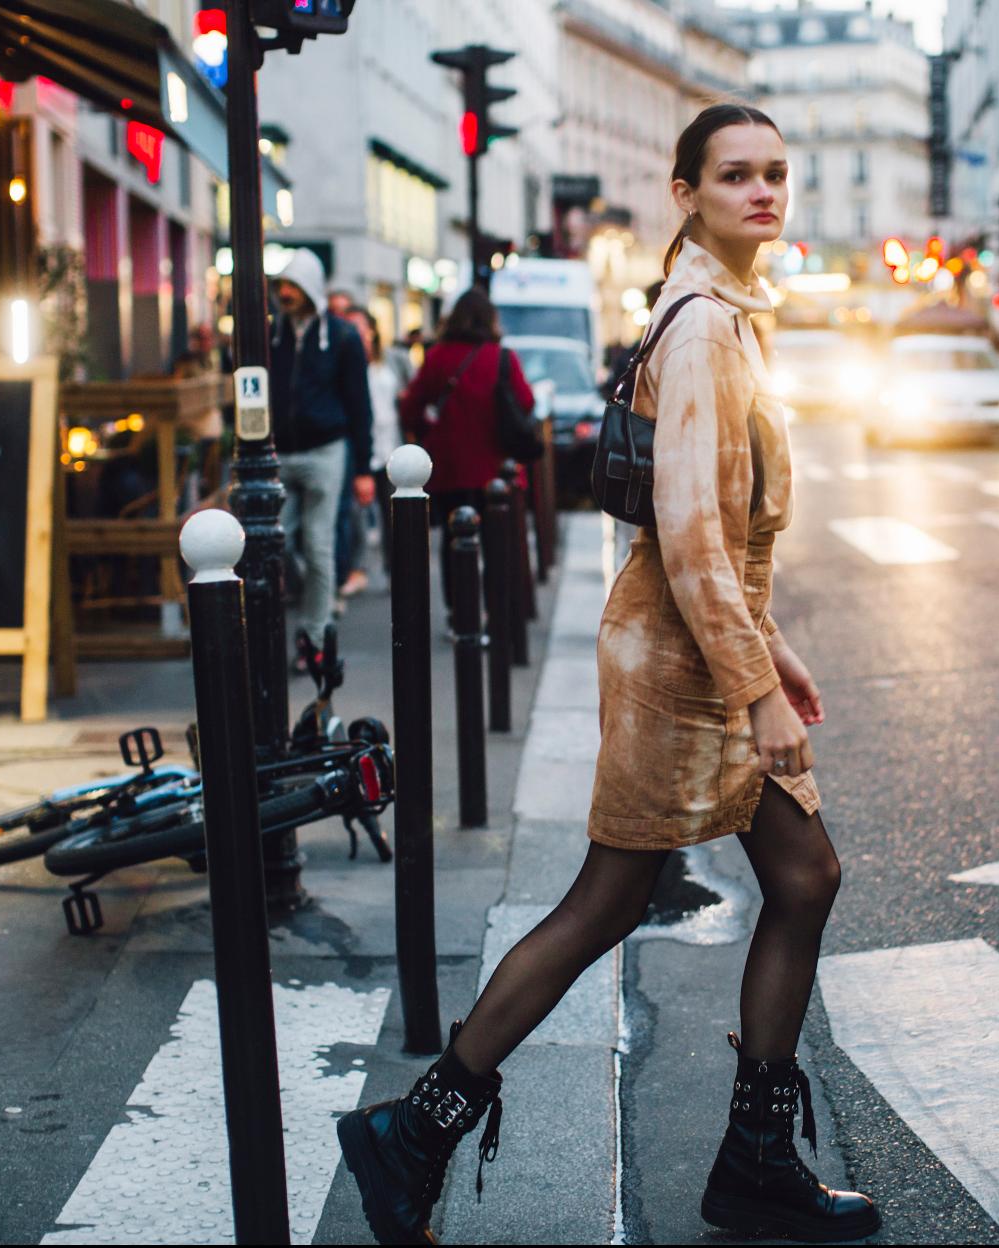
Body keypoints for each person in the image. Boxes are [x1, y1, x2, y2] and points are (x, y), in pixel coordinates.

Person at [335, 104, 880, 1245]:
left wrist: (772, 651)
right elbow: (686, 534)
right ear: (685, 192)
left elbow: (710, 528)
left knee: (784, 880)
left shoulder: (724, 312)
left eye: (776, 173)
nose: (763, 192)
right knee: (618, 900)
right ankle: (419, 1131)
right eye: (735, 176)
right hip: (679, 667)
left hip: (695, 646)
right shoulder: (701, 330)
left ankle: (743, 1162)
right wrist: (757, 687)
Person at [397, 287, 534, 612]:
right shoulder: (502, 357)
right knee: (494, 541)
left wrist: (430, 427)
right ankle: (495, 612)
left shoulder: (437, 356)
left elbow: (411, 408)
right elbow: (526, 402)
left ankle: (461, 612)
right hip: (494, 467)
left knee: (453, 538)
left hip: (448, 467)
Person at [268, 248, 374, 665]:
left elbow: (358, 404)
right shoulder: (272, 334)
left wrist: (363, 468)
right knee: (271, 540)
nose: (286, 293)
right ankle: (293, 625)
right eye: (282, 285)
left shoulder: (343, 338)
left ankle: (313, 636)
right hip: (281, 451)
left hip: (326, 449)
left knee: (318, 546)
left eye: (293, 285)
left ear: (310, 288)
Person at [340, 306, 400, 593]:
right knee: (357, 515)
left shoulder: (390, 362)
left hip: (390, 449)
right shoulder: (343, 363)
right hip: (359, 447)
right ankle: (357, 569)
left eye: (359, 327)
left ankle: (398, 569)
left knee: (394, 514)